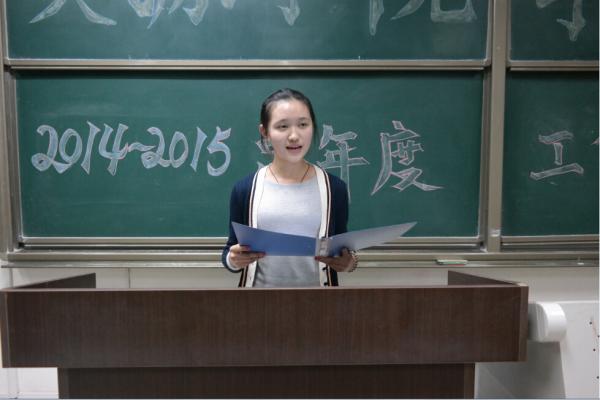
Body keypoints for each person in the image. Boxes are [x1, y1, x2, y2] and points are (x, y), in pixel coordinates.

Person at [221, 88, 358, 287]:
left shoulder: (334, 188)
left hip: (320, 303)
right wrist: (233, 260)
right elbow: (230, 252)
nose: (294, 136)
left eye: (303, 124)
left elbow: (343, 251)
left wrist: (349, 263)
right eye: (282, 126)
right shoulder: (245, 189)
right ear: (265, 132)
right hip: (257, 301)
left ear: (313, 127)